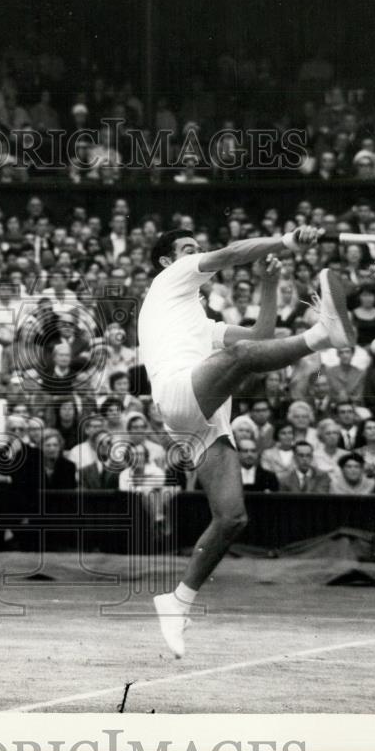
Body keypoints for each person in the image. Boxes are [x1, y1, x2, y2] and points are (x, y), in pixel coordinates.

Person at [139, 225, 352, 658]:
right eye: (188, 248)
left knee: (232, 517)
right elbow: (233, 252)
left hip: (200, 421)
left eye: (198, 246)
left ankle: (178, 601)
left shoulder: (197, 321)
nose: (198, 253)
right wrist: (287, 241)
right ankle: (321, 336)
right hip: (179, 392)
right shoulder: (168, 279)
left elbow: (260, 338)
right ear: (167, 261)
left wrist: (268, 285)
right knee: (239, 359)